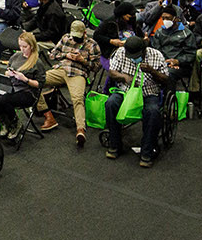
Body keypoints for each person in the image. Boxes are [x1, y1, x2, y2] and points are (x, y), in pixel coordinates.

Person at [105, 38, 169, 168]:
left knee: (152, 112)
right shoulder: (121, 52)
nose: (134, 59)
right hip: (125, 91)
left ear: (144, 51)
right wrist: (123, 77)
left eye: (137, 56)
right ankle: (115, 145)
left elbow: (166, 79)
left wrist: (152, 71)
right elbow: (112, 72)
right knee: (111, 103)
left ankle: (147, 152)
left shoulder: (156, 55)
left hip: (148, 92)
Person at [42, 20, 99, 147]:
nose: (75, 39)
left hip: (78, 73)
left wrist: (82, 60)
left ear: (84, 33)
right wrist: (66, 54)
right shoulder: (65, 38)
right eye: (74, 36)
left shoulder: (92, 45)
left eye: (78, 37)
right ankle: (48, 115)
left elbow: (96, 67)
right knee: (36, 82)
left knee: (78, 99)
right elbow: (52, 55)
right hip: (61, 70)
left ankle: (80, 130)